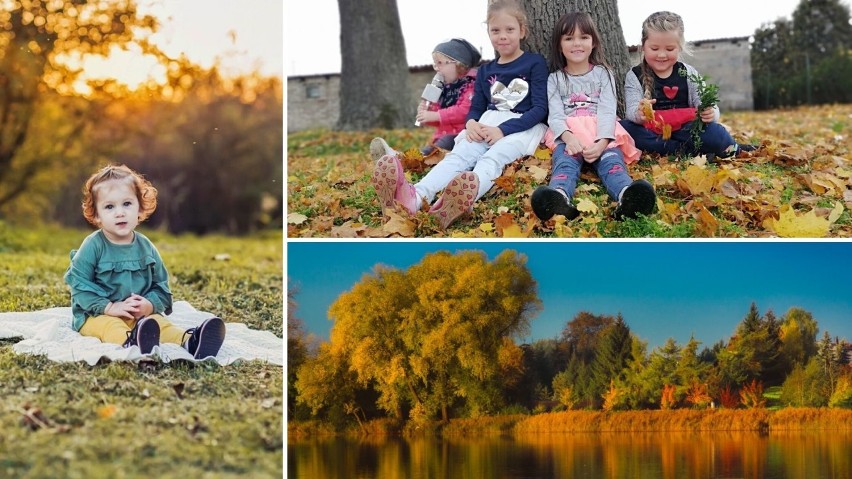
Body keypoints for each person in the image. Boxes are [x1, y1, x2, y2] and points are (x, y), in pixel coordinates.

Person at [371, 0, 548, 229]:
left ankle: (458, 202)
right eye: (495, 30)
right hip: (486, 124)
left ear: (522, 31)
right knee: (459, 156)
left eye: (509, 30)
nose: (502, 36)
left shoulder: (534, 63)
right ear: (488, 33)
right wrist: (472, 123)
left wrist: (502, 130)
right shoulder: (486, 70)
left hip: (520, 127)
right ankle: (415, 198)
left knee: (490, 160)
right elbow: (477, 107)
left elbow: (540, 108)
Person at [64, 164, 226, 359]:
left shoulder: (146, 247)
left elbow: (161, 286)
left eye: (127, 204)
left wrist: (149, 304)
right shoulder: (93, 245)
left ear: (140, 207)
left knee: (160, 324)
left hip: (139, 317)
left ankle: (191, 341)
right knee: (110, 326)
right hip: (97, 314)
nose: (120, 212)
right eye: (109, 207)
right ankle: (132, 341)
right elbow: (79, 285)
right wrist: (110, 307)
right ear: (97, 215)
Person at [532, 12, 655, 222]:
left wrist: (602, 142)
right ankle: (559, 197)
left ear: (594, 42)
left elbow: (608, 109)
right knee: (564, 164)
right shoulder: (555, 79)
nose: (576, 43)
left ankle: (627, 196)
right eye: (569, 38)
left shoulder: (602, 73)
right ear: (559, 45)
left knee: (612, 163)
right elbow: (555, 114)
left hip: (602, 133)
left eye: (583, 37)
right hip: (569, 136)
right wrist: (569, 139)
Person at [619, 11, 755, 159]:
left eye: (669, 49)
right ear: (643, 46)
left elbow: (706, 103)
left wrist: (711, 112)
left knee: (716, 133)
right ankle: (690, 152)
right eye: (655, 49)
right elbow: (631, 112)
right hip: (653, 130)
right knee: (625, 129)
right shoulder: (634, 75)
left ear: (680, 47)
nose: (662, 55)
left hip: (686, 130)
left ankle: (730, 149)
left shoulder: (688, 72)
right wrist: (639, 115)